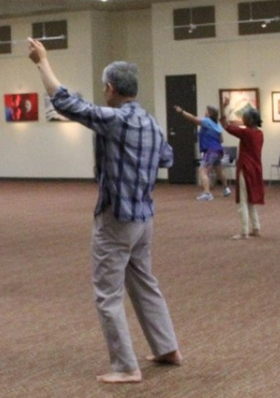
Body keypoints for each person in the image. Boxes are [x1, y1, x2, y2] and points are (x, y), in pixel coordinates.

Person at [28, 38, 181, 384]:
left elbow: (66, 101)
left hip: (116, 220)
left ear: (110, 88)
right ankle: (167, 347)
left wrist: (42, 63)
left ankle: (125, 366)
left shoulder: (116, 121)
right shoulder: (151, 123)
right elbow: (167, 158)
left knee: (108, 293)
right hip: (144, 219)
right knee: (144, 283)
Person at [173, 105, 231, 201]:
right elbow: (221, 140)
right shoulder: (216, 125)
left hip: (211, 150)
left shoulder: (207, 121)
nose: (205, 112)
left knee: (202, 170)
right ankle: (226, 189)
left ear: (210, 113)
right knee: (219, 171)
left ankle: (207, 193)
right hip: (218, 150)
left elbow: (194, 119)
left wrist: (182, 111)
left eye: (206, 111)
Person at [223, 110, 265, 240]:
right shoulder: (259, 133)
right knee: (250, 200)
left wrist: (223, 108)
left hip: (246, 169)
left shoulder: (246, 133)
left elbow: (226, 126)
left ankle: (244, 231)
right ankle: (256, 228)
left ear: (251, 120)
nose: (243, 120)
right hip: (256, 168)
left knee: (243, 200)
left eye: (244, 118)